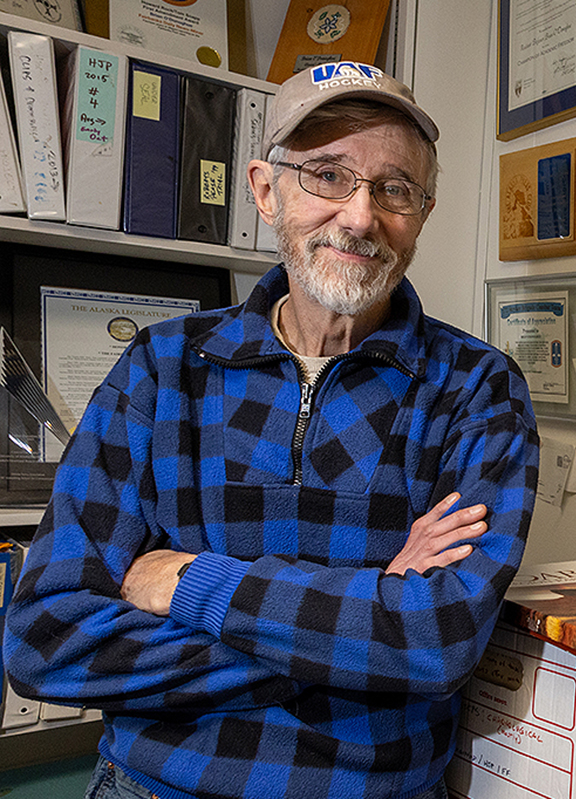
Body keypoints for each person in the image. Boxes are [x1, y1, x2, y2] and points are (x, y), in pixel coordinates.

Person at [2, 62, 540, 799]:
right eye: (327, 175)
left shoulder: (479, 389)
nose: (359, 215)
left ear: (423, 211)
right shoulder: (162, 367)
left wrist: (192, 580)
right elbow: (44, 639)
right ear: (264, 189)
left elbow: (436, 642)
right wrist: (369, 600)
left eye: (394, 189)